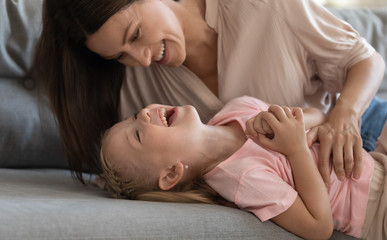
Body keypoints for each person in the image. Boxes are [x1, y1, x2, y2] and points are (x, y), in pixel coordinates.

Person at [34, 0, 386, 184]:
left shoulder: (263, 6)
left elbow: (364, 59)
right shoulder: (134, 87)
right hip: (325, 183)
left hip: (361, 126)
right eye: (120, 55)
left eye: (137, 33)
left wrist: (346, 116)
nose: (141, 59)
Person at [98, 96, 387, 240]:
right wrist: (296, 148)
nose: (145, 113)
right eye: (137, 134)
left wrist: (287, 122)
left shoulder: (238, 108)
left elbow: (318, 114)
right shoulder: (240, 179)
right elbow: (318, 226)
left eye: (135, 115)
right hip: (376, 206)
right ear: (172, 173)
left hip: (375, 160)